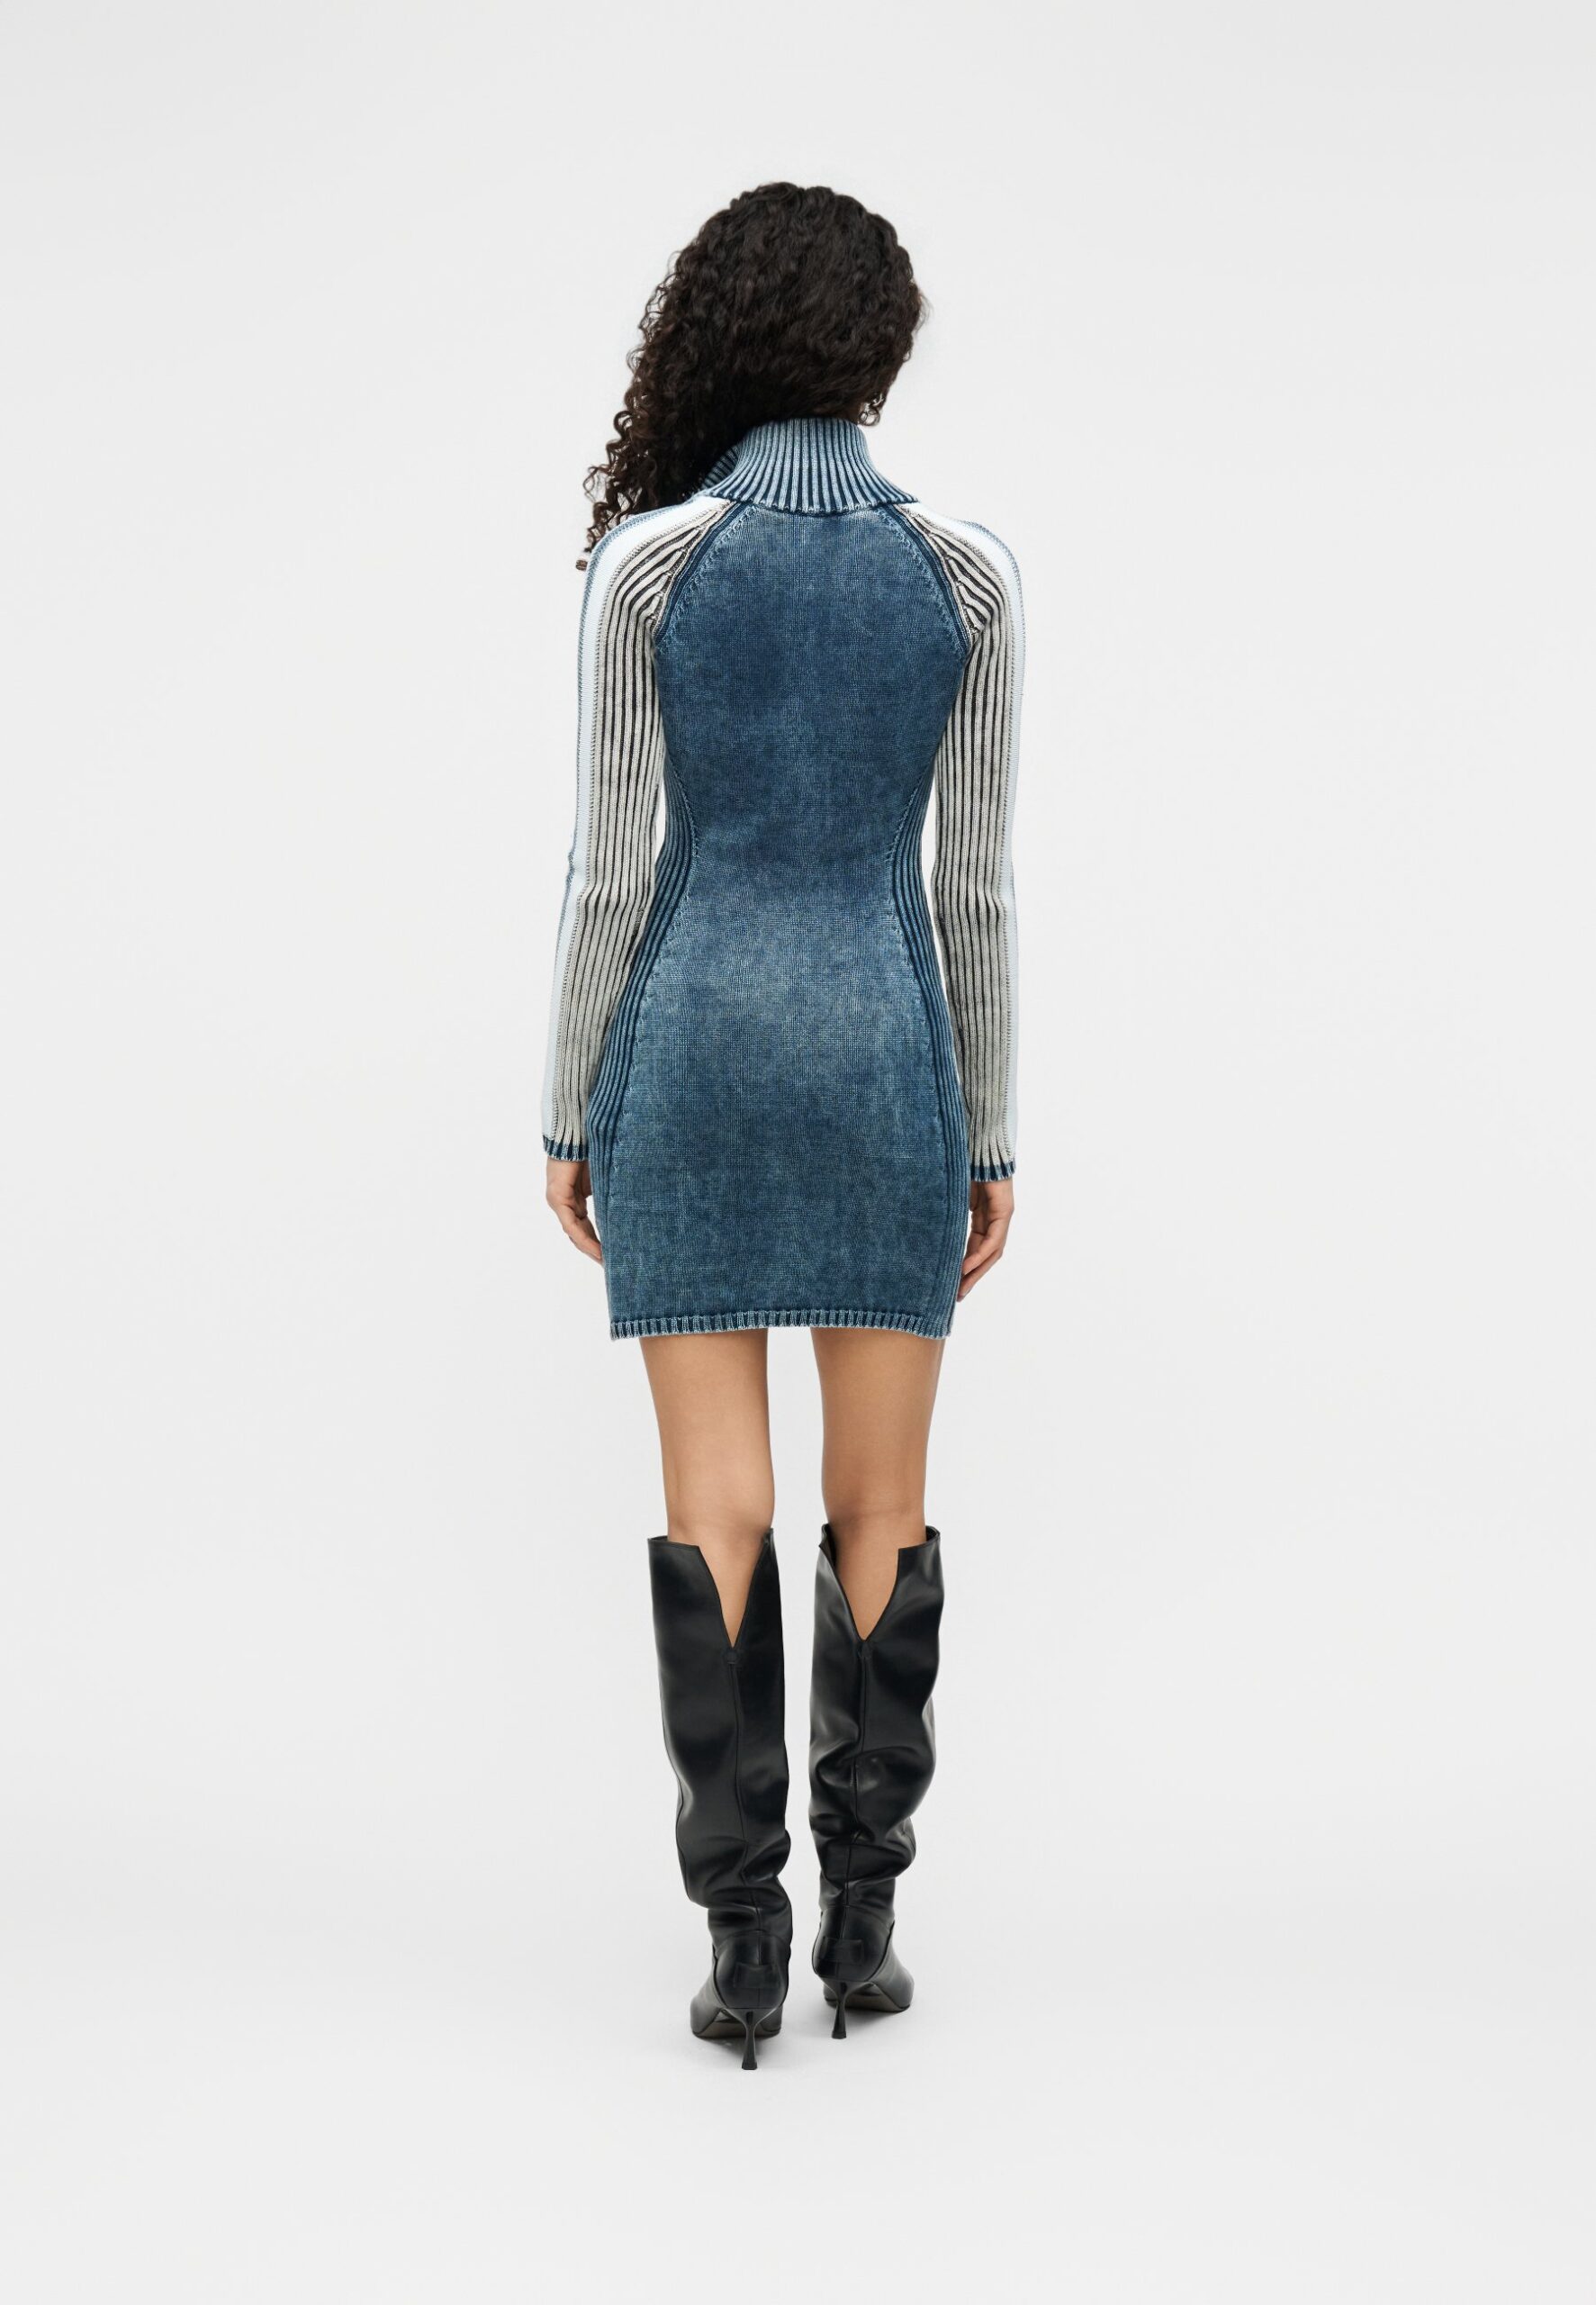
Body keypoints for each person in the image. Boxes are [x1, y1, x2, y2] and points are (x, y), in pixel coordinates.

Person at [542, 183, 1023, 2068]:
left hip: (692, 1045)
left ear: (721, 336)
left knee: (713, 1505)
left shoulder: (649, 566)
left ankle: (741, 1943)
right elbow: (974, 887)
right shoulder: (963, 575)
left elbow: (607, 873)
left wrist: (567, 1105)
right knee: (878, 1502)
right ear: (880, 354)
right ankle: (863, 1927)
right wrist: (989, 1134)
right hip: (886, 1054)